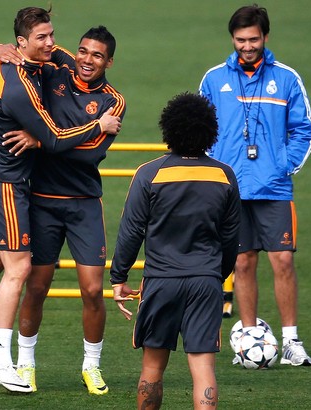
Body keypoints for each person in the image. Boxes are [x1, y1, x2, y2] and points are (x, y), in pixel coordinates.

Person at [0, 7, 121, 393]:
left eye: (51, 35)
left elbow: (87, 150)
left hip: (50, 190)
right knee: (20, 272)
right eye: (42, 37)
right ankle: (4, 361)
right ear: (24, 43)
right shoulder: (24, 80)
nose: (51, 43)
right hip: (9, 181)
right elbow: (56, 139)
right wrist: (81, 129)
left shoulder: (53, 64)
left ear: (108, 60)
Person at [0, 26, 125, 394]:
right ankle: (25, 363)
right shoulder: (56, 70)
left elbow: (92, 154)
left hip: (83, 205)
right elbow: (19, 55)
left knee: (93, 290)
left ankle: (92, 366)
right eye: (83, 51)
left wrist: (41, 141)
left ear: (109, 61)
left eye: (97, 55)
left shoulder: (114, 101)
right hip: (43, 201)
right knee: (36, 287)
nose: (86, 60)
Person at [198, 4, 311, 366]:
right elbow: (199, 129)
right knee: (243, 263)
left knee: (282, 261)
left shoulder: (287, 78)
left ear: (265, 36)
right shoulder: (214, 79)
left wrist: (283, 166)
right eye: (240, 40)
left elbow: (304, 130)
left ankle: (291, 341)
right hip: (230, 191)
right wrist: (214, 172)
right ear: (232, 39)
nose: (247, 46)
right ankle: (249, 340)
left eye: (253, 39)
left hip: (274, 188)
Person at [110, 92, 241, 409]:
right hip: (205, 281)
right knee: (204, 370)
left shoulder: (150, 173)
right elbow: (231, 236)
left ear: (168, 129)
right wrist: (215, 274)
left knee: (153, 367)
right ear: (209, 130)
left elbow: (131, 230)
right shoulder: (224, 175)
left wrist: (119, 277)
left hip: (161, 282)